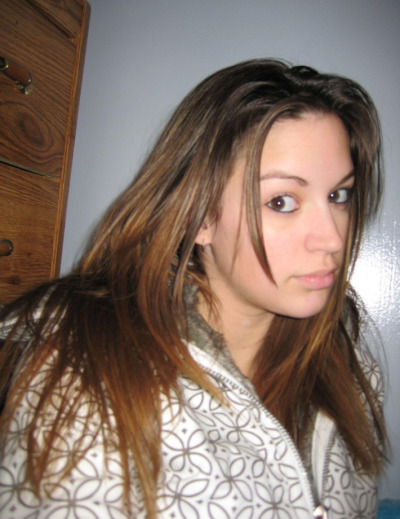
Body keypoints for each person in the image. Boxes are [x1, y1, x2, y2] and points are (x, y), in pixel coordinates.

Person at [0, 59, 387, 518]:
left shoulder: (347, 364)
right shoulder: (87, 369)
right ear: (200, 216)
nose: (333, 239)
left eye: (338, 195)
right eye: (282, 202)